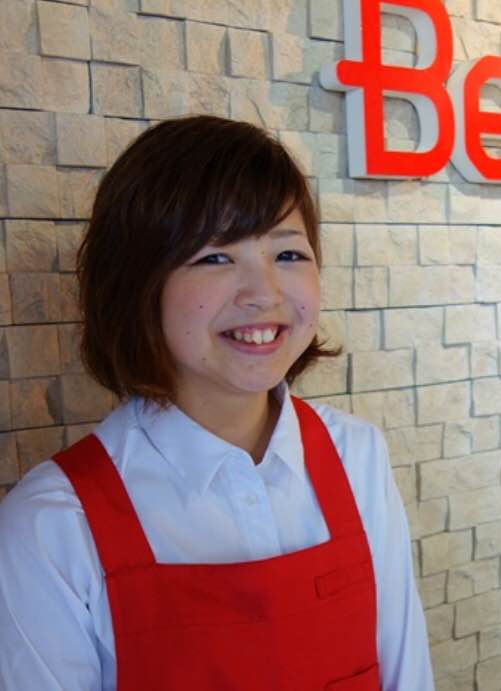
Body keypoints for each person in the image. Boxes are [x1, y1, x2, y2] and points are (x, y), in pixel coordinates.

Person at [0, 116, 434, 690]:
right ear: (135, 285)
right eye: (214, 257)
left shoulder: (358, 455)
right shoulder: (50, 527)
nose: (264, 294)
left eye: (288, 254)